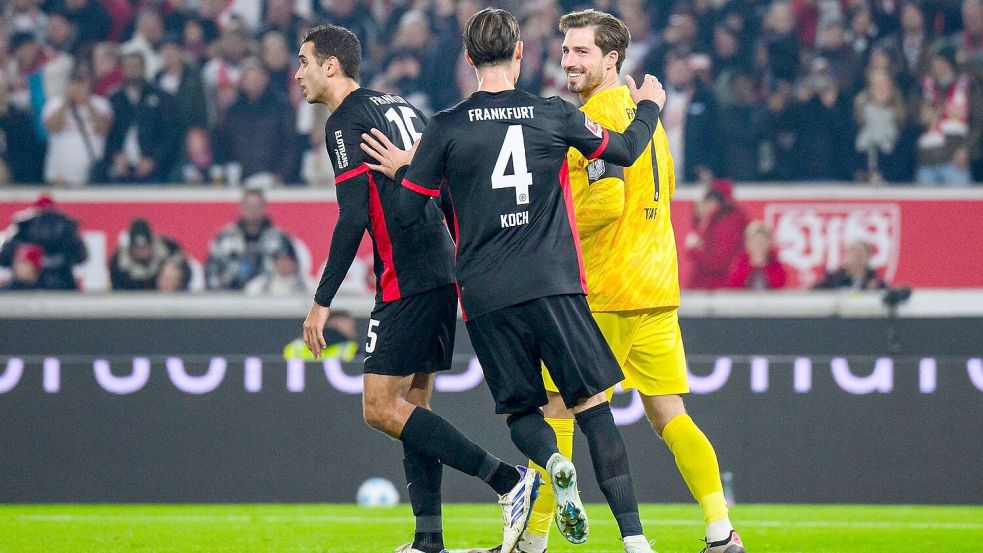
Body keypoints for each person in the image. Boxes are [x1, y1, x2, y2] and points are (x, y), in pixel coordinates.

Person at [361, 8, 667, 552]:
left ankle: (551, 464)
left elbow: (411, 213)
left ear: (468, 55)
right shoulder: (551, 113)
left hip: (486, 295)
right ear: (521, 52)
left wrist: (409, 172)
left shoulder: (447, 126)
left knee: (523, 412)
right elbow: (623, 150)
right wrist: (647, 108)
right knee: (594, 408)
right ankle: (635, 541)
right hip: (554, 283)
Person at [500, 9, 745, 553]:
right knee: (670, 415)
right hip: (656, 289)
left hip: (608, 288)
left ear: (612, 59)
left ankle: (533, 539)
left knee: (556, 409)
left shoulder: (601, 117)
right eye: (565, 51)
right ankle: (719, 528)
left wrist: (544, 230)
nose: (569, 61)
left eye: (582, 51)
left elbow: (605, 203)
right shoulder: (645, 116)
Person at [294, 25, 539, 553]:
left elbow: (353, 215)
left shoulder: (345, 120)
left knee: (380, 407)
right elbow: (443, 183)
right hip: (439, 265)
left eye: (305, 62)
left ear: (331, 66)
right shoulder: (398, 105)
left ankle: (507, 480)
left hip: (404, 275)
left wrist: (321, 302)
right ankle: (428, 540)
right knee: (414, 407)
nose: (299, 73)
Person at [103, 52, 180, 183]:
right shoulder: (114, 98)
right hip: (121, 170)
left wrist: (153, 160)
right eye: (129, 67)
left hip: (155, 171)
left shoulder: (162, 98)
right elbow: (108, 133)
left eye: (136, 66)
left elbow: (170, 135)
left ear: (144, 68)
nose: (132, 71)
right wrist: (115, 155)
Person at [205, 188, 291, 290]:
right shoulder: (224, 238)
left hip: (269, 298)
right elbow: (211, 271)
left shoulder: (279, 239)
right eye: (249, 206)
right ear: (241, 207)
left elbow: (291, 275)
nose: (253, 210)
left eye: (257, 206)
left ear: (265, 208)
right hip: (230, 298)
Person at [42, 66, 113, 187]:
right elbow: (51, 126)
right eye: (74, 83)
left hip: (91, 177)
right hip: (59, 177)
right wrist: (66, 103)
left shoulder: (101, 104)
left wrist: (88, 103)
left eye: (82, 83)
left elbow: (105, 128)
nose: (78, 87)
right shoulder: (54, 103)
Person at [0, 195, 87, 290]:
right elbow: (81, 256)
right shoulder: (22, 224)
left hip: (60, 282)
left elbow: (4, 256)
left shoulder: (22, 225)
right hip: (56, 283)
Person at [686, 179, 748, 290]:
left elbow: (719, 262)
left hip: (717, 290)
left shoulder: (729, 222)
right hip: (711, 290)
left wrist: (694, 250)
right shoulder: (713, 222)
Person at [109, 218, 188, 290]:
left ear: (152, 244)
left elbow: (187, 272)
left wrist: (173, 275)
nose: (142, 253)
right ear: (130, 247)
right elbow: (119, 292)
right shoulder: (118, 263)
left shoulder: (169, 248)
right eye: (138, 249)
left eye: (145, 247)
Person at [725, 221, 787, 290]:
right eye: (754, 240)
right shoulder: (738, 267)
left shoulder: (777, 268)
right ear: (747, 243)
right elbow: (733, 289)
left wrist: (765, 266)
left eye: (762, 240)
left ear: (769, 243)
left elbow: (779, 289)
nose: (758, 244)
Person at [244, 237, 310, 295]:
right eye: (279, 259)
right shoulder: (259, 286)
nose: (283, 263)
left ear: (296, 262)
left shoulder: (308, 286)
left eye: (287, 259)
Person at [812, 240, 887, 290]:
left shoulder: (876, 281)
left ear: (869, 257)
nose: (858, 257)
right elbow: (812, 293)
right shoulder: (834, 279)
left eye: (861, 254)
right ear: (847, 255)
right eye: (854, 253)